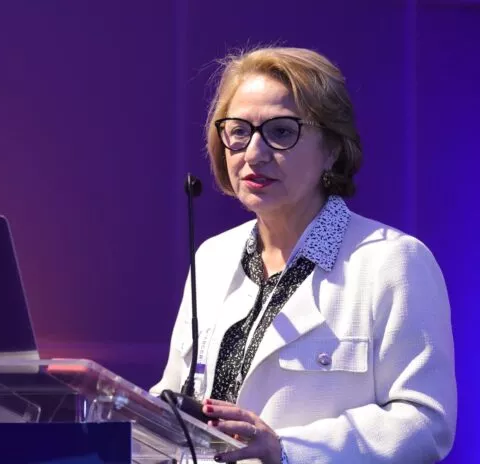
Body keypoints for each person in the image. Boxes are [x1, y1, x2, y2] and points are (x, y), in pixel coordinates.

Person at [150, 46, 456, 464]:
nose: (253, 153)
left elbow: (425, 422)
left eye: (281, 132)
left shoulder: (394, 262)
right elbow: (172, 401)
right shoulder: (212, 258)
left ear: (332, 148)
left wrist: (287, 450)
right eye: (238, 131)